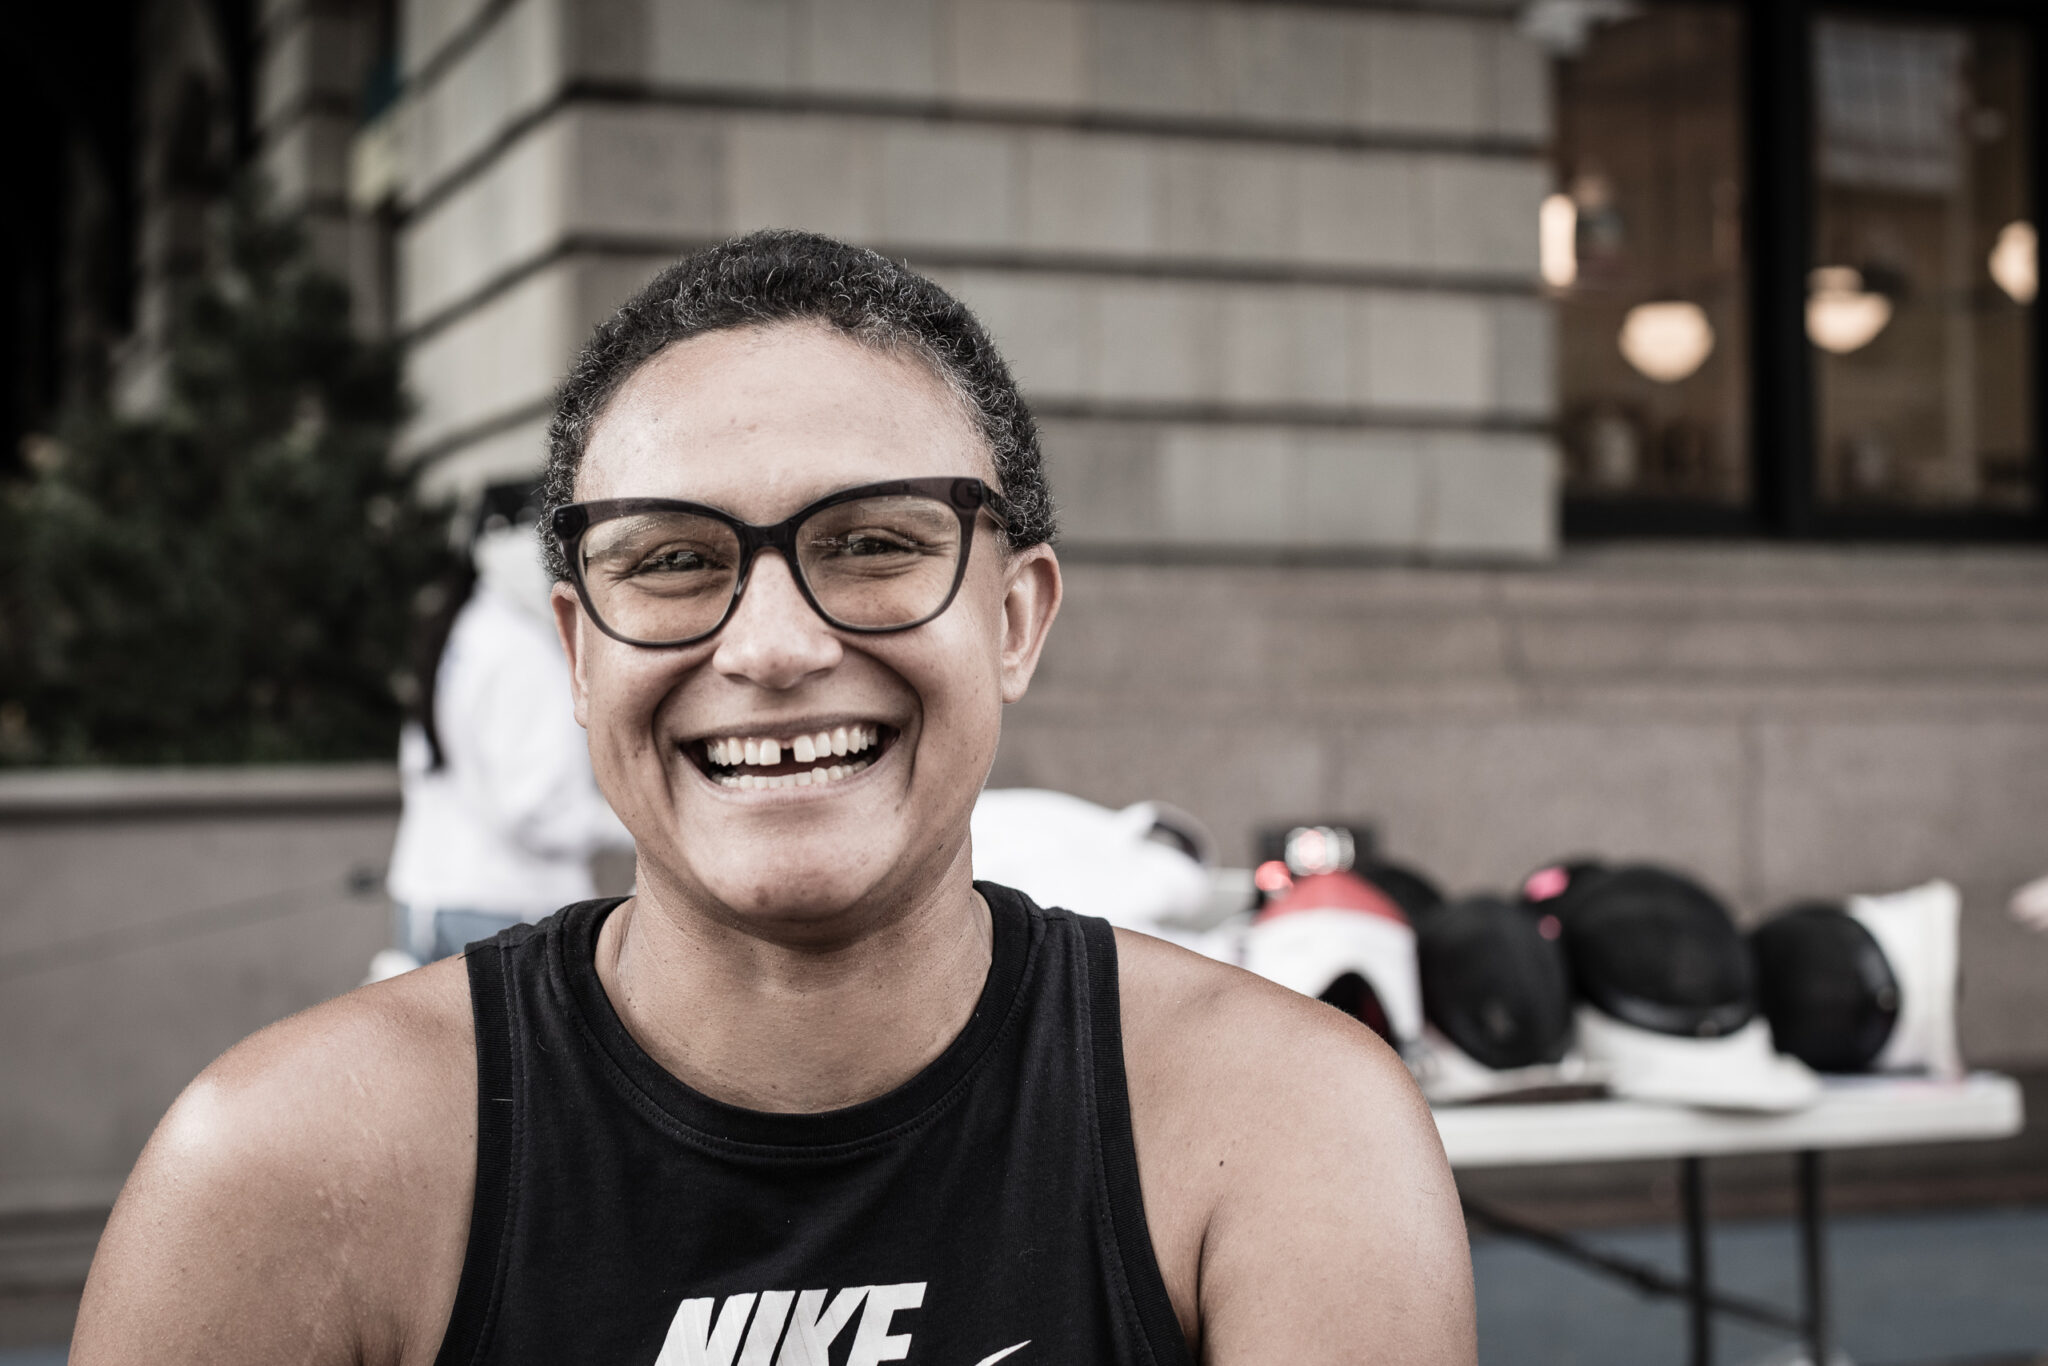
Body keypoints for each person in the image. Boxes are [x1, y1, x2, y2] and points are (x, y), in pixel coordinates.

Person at [73, 231, 1474, 1365]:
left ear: (1015, 618)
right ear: (577, 652)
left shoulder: (1289, 1131)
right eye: (673, 560)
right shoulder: (287, 1166)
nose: (773, 644)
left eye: (871, 543)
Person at [377, 483, 634, 974]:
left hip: (428, 900)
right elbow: (535, 811)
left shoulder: (463, 631)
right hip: (506, 911)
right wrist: (638, 821)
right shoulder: (522, 650)